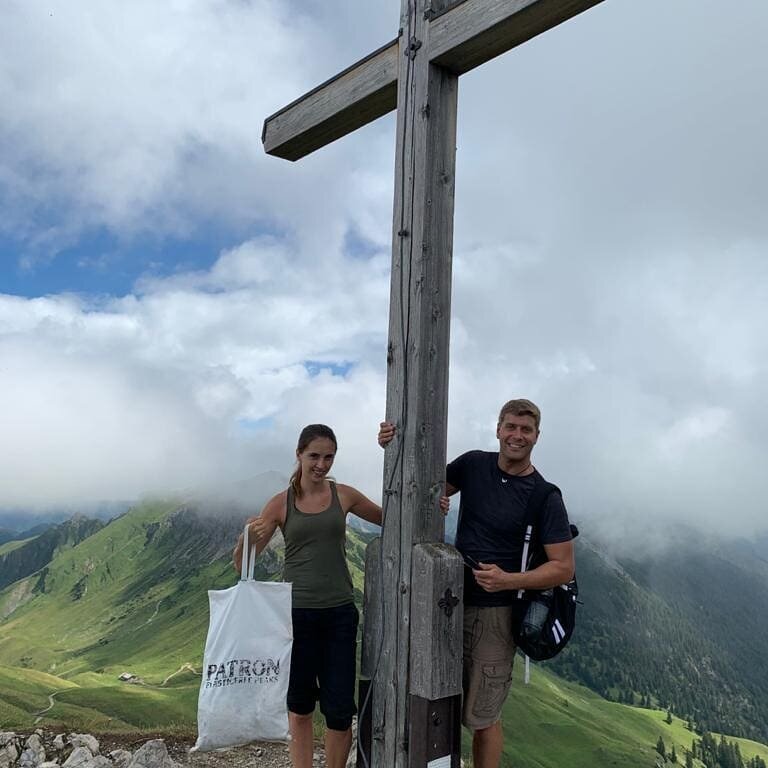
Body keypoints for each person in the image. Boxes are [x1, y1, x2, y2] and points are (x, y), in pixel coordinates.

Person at [378, 398, 574, 768]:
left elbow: (563, 568)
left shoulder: (545, 496)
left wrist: (508, 580)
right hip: (446, 603)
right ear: (498, 429)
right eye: (511, 427)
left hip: (496, 619)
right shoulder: (473, 464)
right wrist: (393, 441)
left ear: (536, 437)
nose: (517, 436)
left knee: (483, 717)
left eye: (525, 430)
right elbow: (422, 483)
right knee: (435, 692)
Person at [233, 424, 382, 768]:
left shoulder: (344, 495)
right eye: (314, 455)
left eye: (328, 457)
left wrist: (436, 503)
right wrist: (246, 536)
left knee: (340, 710)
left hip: (340, 614)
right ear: (299, 454)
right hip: (294, 616)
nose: (321, 464)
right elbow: (242, 563)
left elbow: (391, 518)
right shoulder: (279, 503)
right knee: (299, 707)